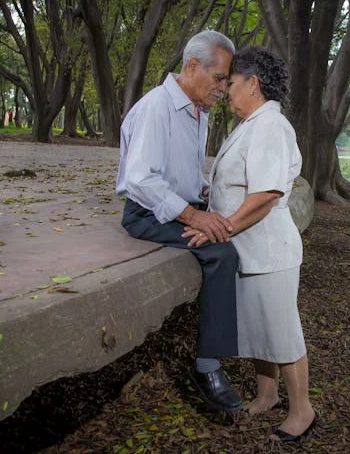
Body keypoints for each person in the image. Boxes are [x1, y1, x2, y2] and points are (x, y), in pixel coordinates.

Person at [183, 46, 316, 443]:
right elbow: (240, 182)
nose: (226, 89)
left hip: (270, 251)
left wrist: (217, 228)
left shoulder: (270, 127)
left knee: (282, 332)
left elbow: (265, 194)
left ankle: (302, 411)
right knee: (260, 327)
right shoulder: (253, 123)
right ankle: (268, 393)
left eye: (233, 82)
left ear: (253, 84)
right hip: (250, 250)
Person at [116, 30, 244, 413]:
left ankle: (225, 348)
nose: (224, 87)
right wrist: (194, 217)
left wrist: (202, 193)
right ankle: (207, 367)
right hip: (146, 214)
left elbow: (182, 172)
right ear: (192, 67)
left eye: (227, 80)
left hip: (178, 205)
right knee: (222, 252)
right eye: (220, 78)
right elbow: (140, 179)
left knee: (228, 233)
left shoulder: (196, 110)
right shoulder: (157, 107)